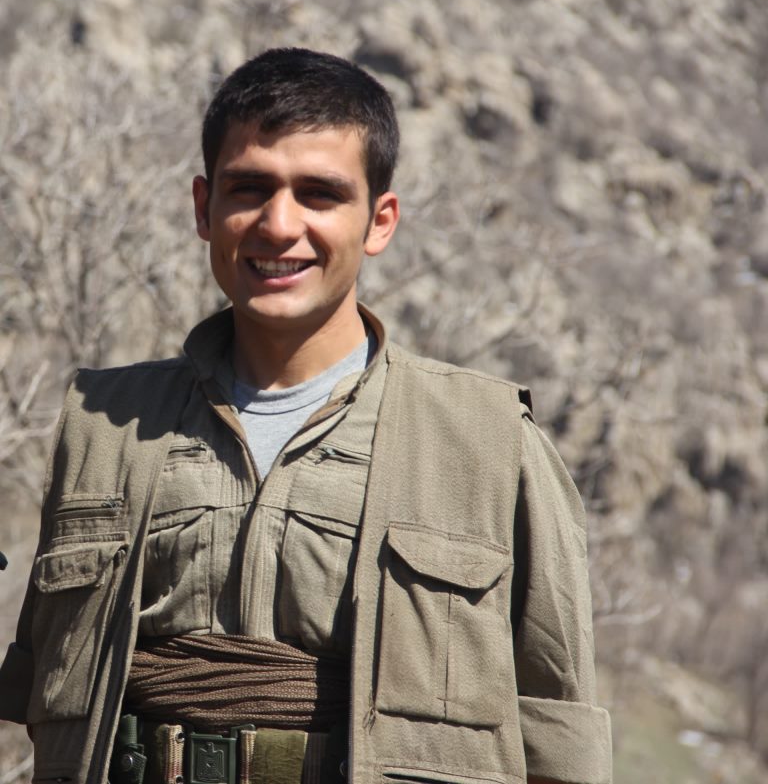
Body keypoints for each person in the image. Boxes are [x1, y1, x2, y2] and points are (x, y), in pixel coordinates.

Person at [0, 48, 611, 784]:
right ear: (203, 207)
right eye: (249, 188)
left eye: (319, 195)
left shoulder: (488, 440)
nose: (279, 225)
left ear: (379, 221)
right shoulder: (102, 425)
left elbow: (558, 737)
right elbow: (40, 700)